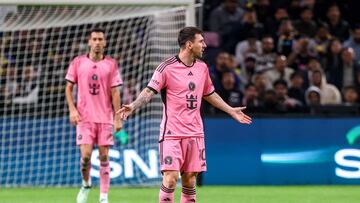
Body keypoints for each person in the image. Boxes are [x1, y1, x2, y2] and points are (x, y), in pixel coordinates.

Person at [117, 27, 252, 203]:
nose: (204, 45)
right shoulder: (166, 67)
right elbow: (150, 91)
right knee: (171, 178)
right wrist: (133, 106)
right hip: (172, 133)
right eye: (201, 41)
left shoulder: (202, 68)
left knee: (189, 180)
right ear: (189, 45)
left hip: (195, 133)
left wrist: (230, 110)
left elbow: (209, 93)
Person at [65, 28, 123, 203]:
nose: (98, 42)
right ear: (89, 42)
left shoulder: (111, 64)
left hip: (104, 118)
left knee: (104, 156)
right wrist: (72, 109)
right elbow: (68, 88)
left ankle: (103, 197)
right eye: (95, 39)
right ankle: (86, 183)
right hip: (84, 118)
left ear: (105, 43)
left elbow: (115, 93)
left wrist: (117, 117)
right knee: (86, 157)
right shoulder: (78, 62)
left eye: (101, 39)